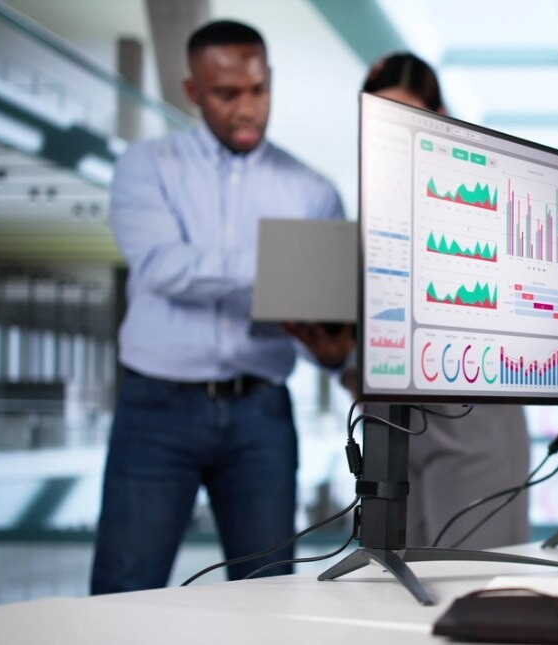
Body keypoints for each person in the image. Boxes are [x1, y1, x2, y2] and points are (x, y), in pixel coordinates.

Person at [92, 20, 353, 593]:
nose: (246, 110)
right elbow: (162, 267)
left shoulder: (313, 190)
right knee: (123, 592)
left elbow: (315, 312)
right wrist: (280, 261)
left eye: (258, 91)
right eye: (226, 94)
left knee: (268, 595)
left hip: (261, 415)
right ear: (192, 91)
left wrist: (335, 351)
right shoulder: (146, 166)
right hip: (154, 409)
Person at [357, 52, 531, 550]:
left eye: (406, 121)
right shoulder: (375, 216)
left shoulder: (484, 202)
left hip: (474, 424)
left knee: (474, 585)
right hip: (393, 428)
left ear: (441, 119)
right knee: (396, 596)